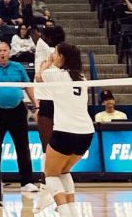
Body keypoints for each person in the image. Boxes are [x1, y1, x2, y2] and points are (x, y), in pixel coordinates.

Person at [34, 42, 96, 216]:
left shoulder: (54, 74)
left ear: (61, 57)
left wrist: (46, 65)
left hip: (66, 131)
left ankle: (65, 212)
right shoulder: (82, 77)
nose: (52, 55)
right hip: (86, 133)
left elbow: (40, 76)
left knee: (51, 174)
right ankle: (73, 212)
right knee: (63, 172)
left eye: (55, 53)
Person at [0, 42, 38, 192]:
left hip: (18, 111)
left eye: (5, 50)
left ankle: (27, 182)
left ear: (9, 52)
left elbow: (27, 86)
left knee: (22, 147)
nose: (2, 53)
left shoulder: (18, 67)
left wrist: (36, 105)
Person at [34, 25, 66, 189]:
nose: (40, 36)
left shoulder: (55, 52)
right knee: (48, 146)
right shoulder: (48, 50)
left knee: (51, 146)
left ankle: (52, 178)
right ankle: (47, 179)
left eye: (43, 34)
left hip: (54, 102)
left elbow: (33, 28)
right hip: (50, 102)